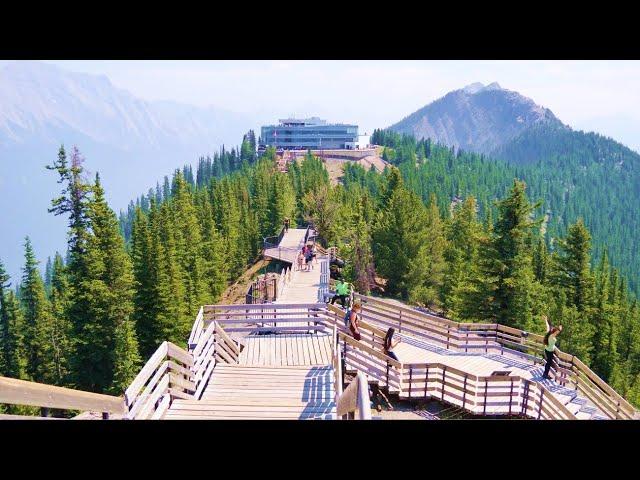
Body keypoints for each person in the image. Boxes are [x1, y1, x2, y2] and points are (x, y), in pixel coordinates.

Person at [542, 315, 563, 380]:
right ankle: (545, 374)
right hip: (550, 351)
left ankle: (546, 374)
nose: (557, 333)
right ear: (554, 331)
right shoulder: (552, 335)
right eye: (556, 332)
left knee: (549, 362)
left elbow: (547, 326)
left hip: (547, 349)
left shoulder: (548, 333)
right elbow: (557, 331)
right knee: (549, 363)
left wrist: (546, 320)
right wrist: (560, 329)